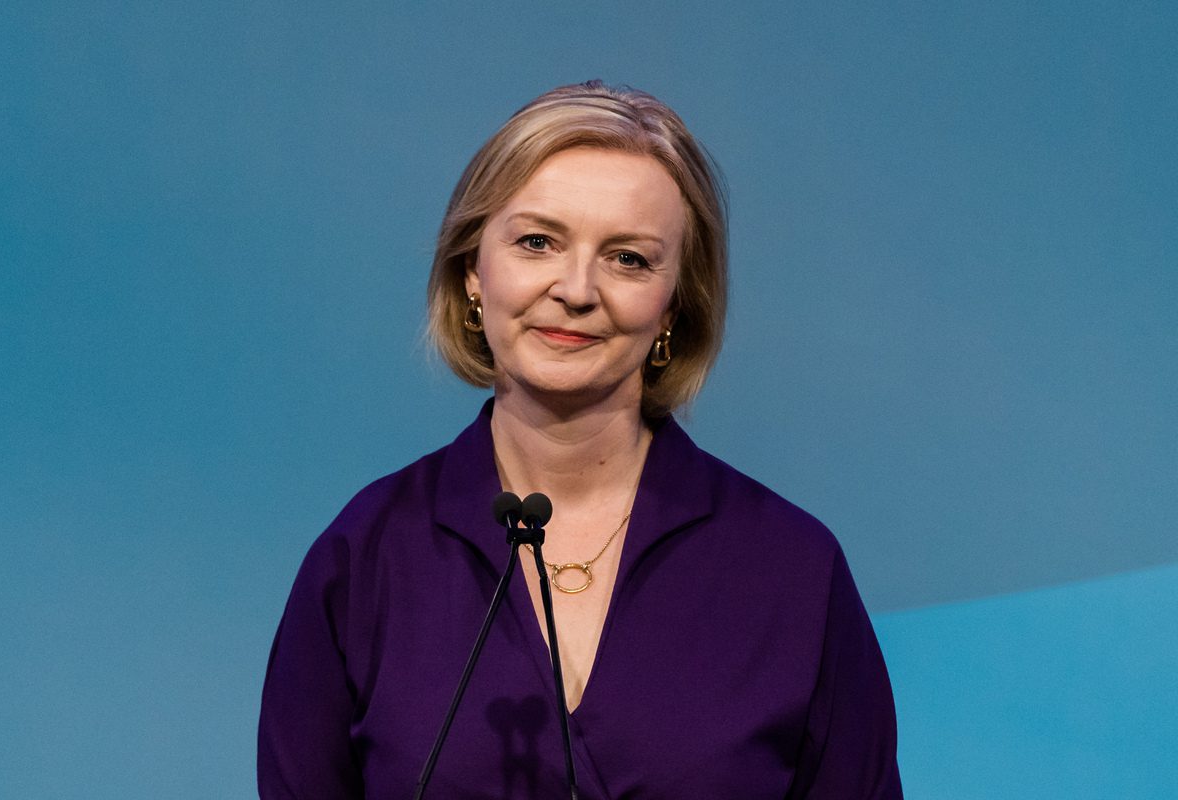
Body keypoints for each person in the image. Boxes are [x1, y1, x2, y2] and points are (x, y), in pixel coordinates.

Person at [258, 80, 902, 799]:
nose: (576, 288)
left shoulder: (791, 569)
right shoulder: (366, 558)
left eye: (628, 258)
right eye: (537, 242)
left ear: (673, 306)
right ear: (473, 271)